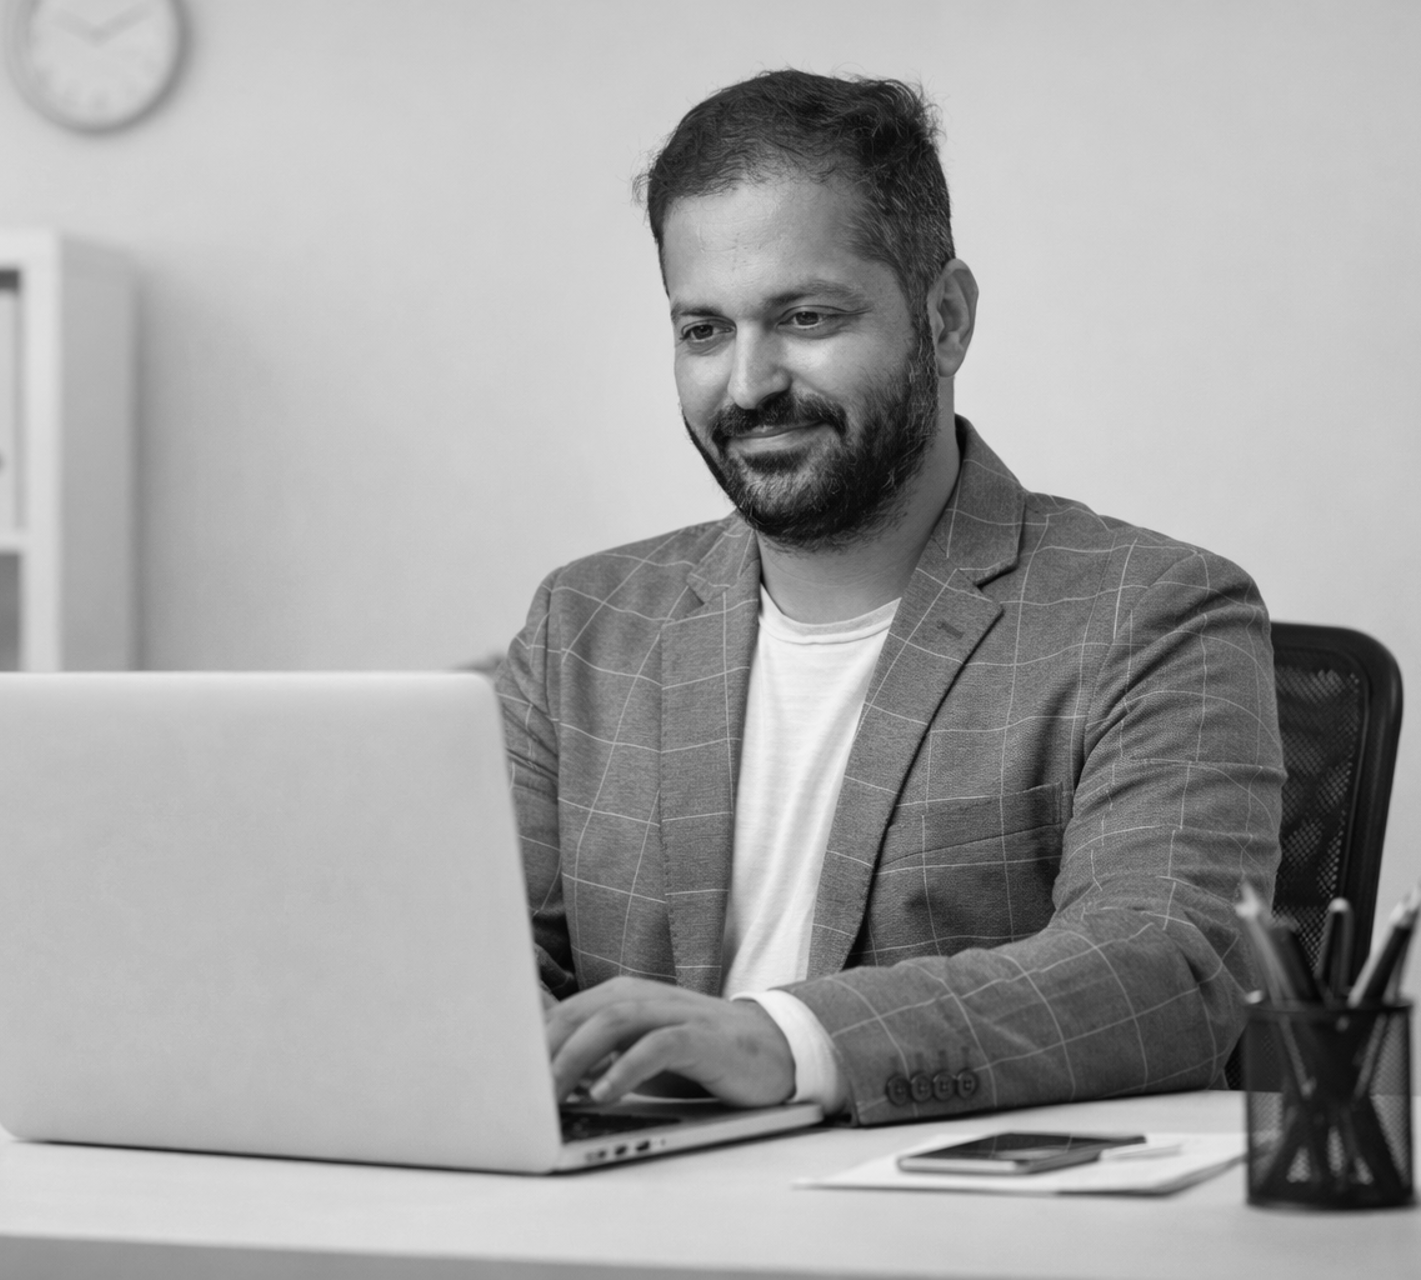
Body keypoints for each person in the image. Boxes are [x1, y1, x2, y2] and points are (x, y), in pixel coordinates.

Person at [494, 70, 1284, 1126]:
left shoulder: (1157, 613)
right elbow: (469, 954)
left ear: (945, 319)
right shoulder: (582, 626)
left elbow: (1168, 968)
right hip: (613, 1207)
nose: (747, 384)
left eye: (806, 316)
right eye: (703, 331)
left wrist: (785, 1039)